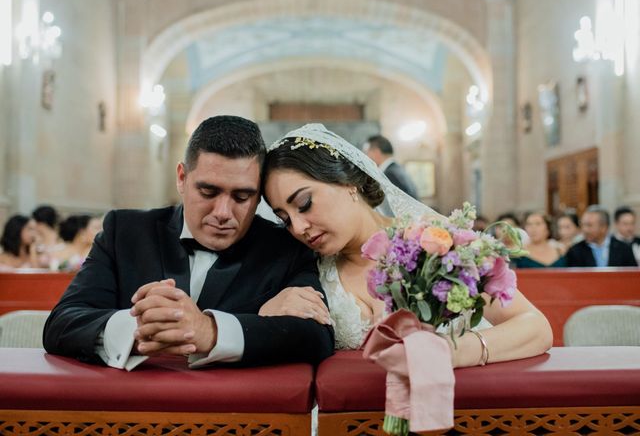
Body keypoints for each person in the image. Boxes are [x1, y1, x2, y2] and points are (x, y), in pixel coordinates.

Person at [43, 116, 334, 369]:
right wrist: (144, 326)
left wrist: (211, 331)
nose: (223, 213)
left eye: (242, 197)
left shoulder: (285, 247)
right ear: (182, 178)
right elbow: (62, 324)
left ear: (259, 195)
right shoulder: (125, 231)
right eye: (208, 191)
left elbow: (316, 336)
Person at [262, 124, 552, 368]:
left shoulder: (436, 241)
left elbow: (535, 327)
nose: (298, 228)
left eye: (305, 204)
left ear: (346, 182)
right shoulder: (306, 269)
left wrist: (447, 353)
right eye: (284, 218)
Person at [565, 205, 637, 267]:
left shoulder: (624, 249)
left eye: (589, 225)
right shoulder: (575, 251)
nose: (585, 230)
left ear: (604, 227)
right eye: (583, 225)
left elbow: (633, 277)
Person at [363, 134, 419, 200]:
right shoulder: (397, 169)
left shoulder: (389, 175)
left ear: (376, 153)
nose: (365, 157)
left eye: (366, 153)